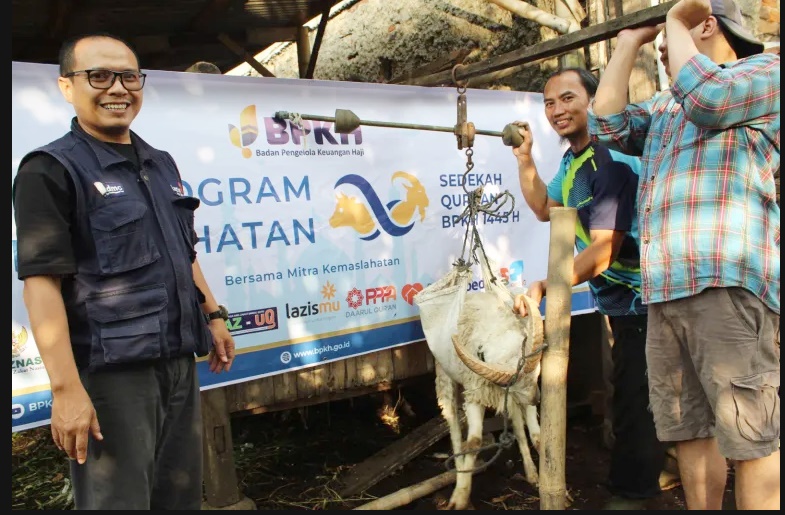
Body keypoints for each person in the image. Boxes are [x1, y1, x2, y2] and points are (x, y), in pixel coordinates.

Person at [13, 32, 237, 510]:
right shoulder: (48, 170)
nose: (118, 88)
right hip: (112, 378)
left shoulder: (159, 162)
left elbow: (183, 250)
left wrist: (214, 314)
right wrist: (66, 391)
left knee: (178, 498)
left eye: (129, 76)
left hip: (177, 363)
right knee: (118, 503)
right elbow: (41, 285)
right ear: (67, 87)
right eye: (99, 75)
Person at [588, 0, 780, 510]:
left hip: (724, 281)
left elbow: (711, 99)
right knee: (691, 429)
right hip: (665, 288)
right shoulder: (668, 106)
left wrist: (677, 17)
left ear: (706, 26)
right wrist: (629, 40)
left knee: (750, 435)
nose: (663, 53)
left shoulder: (765, 71)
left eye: (665, 45)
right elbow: (606, 123)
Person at [510, 67, 665, 510]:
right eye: (549, 103)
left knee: (636, 391)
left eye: (568, 98)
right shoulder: (574, 158)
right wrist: (525, 160)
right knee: (638, 387)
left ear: (593, 99)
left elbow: (604, 251)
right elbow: (544, 207)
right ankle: (656, 464)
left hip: (642, 297)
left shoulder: (610, 159)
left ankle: (633, 493)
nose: (558, 109)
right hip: (618, 299)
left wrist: (548, 282)